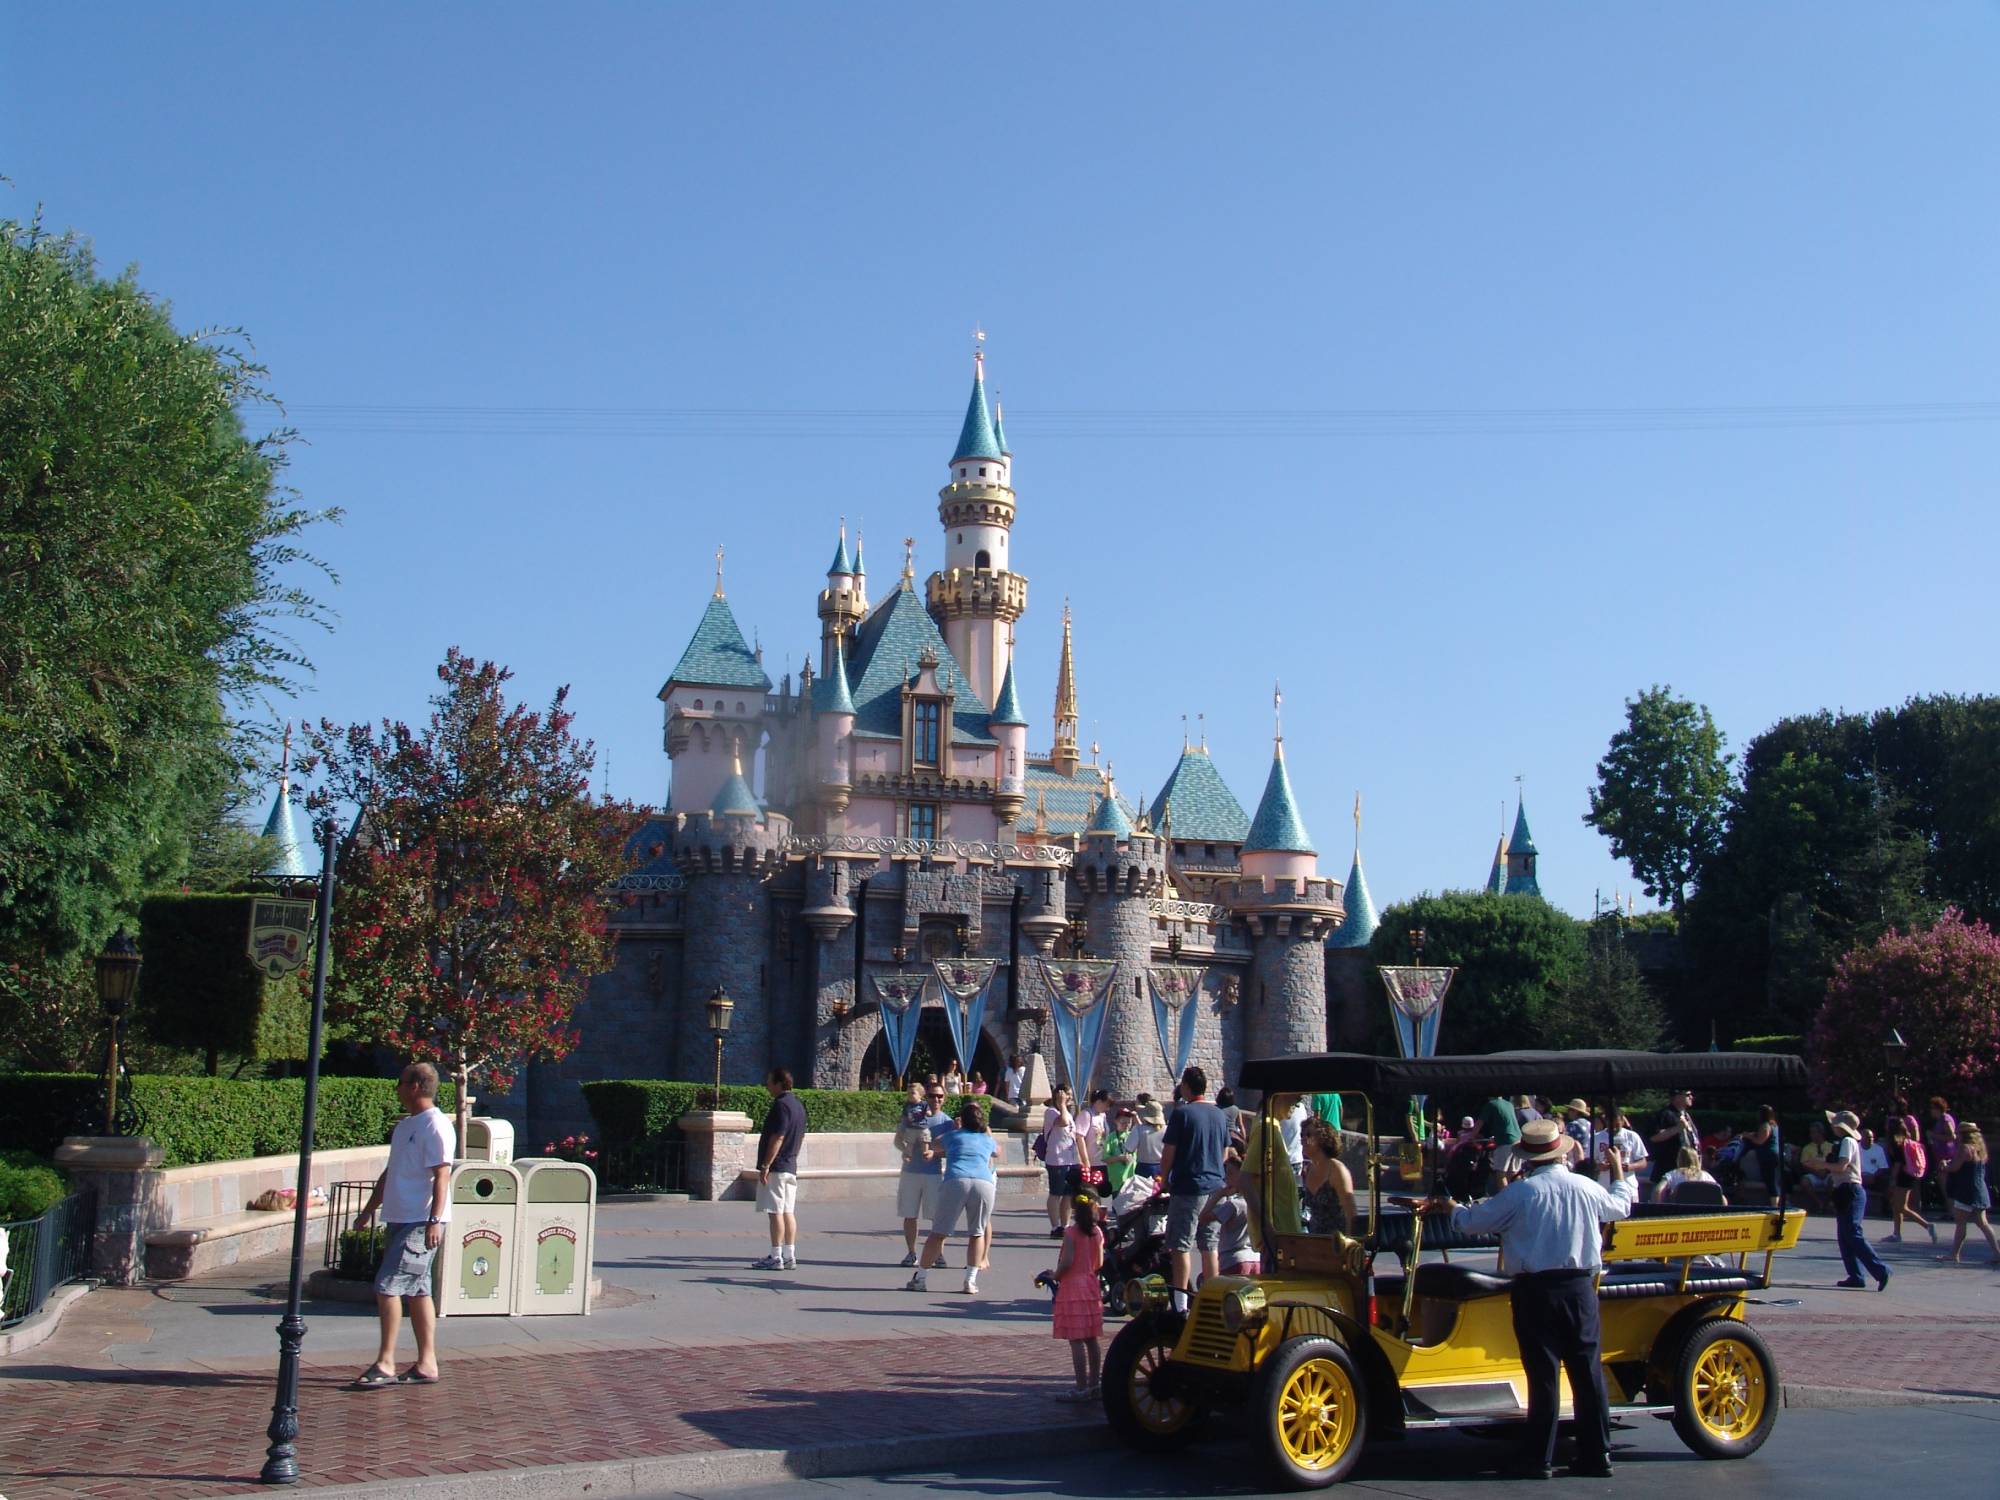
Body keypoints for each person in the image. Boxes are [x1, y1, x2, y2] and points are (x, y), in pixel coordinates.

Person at [1424, 1119, 1635, 1480]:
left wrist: (1451, 1208)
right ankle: (1597, 1452)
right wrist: (1618, 1171)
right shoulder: (1584, 1187)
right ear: (1560, 1153)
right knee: (1588, 1373)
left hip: (1536, 1290)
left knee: (1543, 1376)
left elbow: (1474, 1222)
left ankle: (1539, 1457)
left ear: (1528, 1159)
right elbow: (1621, 1205)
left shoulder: (1522, 1194)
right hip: (1579, 1288)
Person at [349, 1061, 455, 1388]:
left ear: (414, 1086)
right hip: (399, 1218)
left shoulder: (436, 1126)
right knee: (419, 1290)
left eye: (400, 1082)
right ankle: (427, 1364)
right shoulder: (406, 1126)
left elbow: (442, 1175)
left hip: (420, 1223)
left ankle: (385, 1362)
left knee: (387, 1285)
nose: (396, 1088)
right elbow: (390, 1173)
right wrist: (368, 1211)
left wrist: (434, 1221)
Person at [906, 1100, 1000, 1293]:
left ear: (961, 1120)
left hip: (957, 1180)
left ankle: (921, 1278)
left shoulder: (953, 1135)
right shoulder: (986, 1139)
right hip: (983, 1182)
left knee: (939, 1232)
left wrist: (939, 1148)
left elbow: (936, 1141)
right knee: (977, 1233)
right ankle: (970, 1281)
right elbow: (998, 1152)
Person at [1158, 1065, 1230, 1311]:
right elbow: (1225, 1151)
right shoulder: (1219, 1114)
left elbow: (1169, 1152)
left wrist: (1163, 1178)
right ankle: (1212, 1300)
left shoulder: (1183, 1114)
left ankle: (1180, 1302)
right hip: (1215, 1186)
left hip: (1189, 1186)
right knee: (1210, 1245)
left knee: (1180, 1245)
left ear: (1187, 1087)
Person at [1825, 1109, 1890, 1291]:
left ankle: (1881, 1270)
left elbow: (1842, 1165)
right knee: (1845, 1235)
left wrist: (1820, 1164)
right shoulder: (1846, 1141)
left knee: (1852, 1233)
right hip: (1845, 1189)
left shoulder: (1847, 1141)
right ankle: (1855, 1275)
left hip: (1850, 1189)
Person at [750, 1067, 807, 1271]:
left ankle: (776, 1256)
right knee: (788, 1211)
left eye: (769, 1081)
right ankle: (790, 1254)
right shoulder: (798, 1105)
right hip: (790, 1165)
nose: (767, 1085)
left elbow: (778, 1136)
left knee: (775, 1212)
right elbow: (799, 1136)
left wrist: (766, 1165)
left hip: (778, 1166)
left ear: (779, 1083)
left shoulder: (781, 1106)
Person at [1051, 1192, 1106, 1402]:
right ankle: (1095, 1384)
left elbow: (1066, 1262)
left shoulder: (1072, 1232)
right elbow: (1099, 1262)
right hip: (1091, 1285)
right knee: (1091, 1338)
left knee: (1076, 1340)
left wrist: (1054, 1275)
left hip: (1073, 1286)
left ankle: (1081, 1386)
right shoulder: (1097, 1232)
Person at [895, 1081, 951, 1267]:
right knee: (909, 1214)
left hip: (933, 1174)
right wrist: (904, 1150)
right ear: (926, 1098)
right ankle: (911, 1252)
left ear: (944, 1099)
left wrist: (935, 1153)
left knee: (936, 1216)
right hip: (910, 1172)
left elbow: (952, 1149)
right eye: (932, 1096)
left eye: (940, 1096)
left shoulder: (947, 1122)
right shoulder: (912, 1115)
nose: (936, 1099)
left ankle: (938, 1254)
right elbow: (898, 1139)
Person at [1936, 1122, 1998, 1264]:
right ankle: (1997, 1253)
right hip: (1979, 1189)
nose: (1956, 1136)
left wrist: (1945, 1165)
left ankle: (1954, 1254)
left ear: (1963, 1135)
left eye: (1958, 1133)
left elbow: (1954, 1168)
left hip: (1966, 1190)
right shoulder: (1980, 1149)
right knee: (1983, 1223)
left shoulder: (1964, 1148)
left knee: (1960, 1222)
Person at [1039, 1086, 1089, 1236]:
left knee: (1068, 1194)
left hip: (1071, 1160)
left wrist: (1081, 1160)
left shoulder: (1068, 1112)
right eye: (1067, 1095)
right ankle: (1055, 1227)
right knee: (1056, 1193)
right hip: (1057, 1160)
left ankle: (1065, 1225)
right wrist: (1061, 1105)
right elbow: (1064, 1122)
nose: (1070, 1098)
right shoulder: (1051, 1112)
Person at [1200, 1151, 1260, 1276]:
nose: (1227, 1178)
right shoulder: (1257, 1201)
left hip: (1233, 1260)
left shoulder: (1233, 1205)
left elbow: (1203, 1217)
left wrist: (1219, 1195)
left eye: (1231, 1174)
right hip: (1255, 1258)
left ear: (1243, 1175)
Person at [1297, 1119, 1357, 1235]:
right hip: (1315, 1240)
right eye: (1302, 1134)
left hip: (1337, 1241)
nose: (1303, 1139)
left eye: (1308, 1134)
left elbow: (1351, 1213)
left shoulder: (1337, 1170)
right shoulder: (1309, 1169)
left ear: (1323, 1138)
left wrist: (1349, 1244)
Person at [1883, 1116, 1934, 1244]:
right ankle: (1897, 1233)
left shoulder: (1896, 1142)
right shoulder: (1906, 1139)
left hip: (1903, 1175)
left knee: (1901, 1207)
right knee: (1896, 1205)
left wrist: (1892, 1180)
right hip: (1908, 1174)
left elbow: (1898, 1163)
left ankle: (1927, 1225)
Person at [1648, 1088, 1699, 1199]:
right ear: (1677, 1097)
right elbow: (1654, 1137)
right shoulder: (1665, 1114)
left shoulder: (1686, 1115)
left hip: (1688, 1171)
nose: (1691, 1097)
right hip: (1668, 1169)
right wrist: (1677, 1128)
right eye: (1688, 1094)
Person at [1737, 1105, 1782, 1206]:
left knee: (1770, 1181)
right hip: (1774, 1154)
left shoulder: (1765, 1125)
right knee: (1772, 1179)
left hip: (1767, 1155)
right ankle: (1775, 1203)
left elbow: (1760, 1141)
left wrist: (1748, 1136)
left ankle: (1774, 1205)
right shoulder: (1774, 1125)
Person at [1477, 1092, 1521, 1194]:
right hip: (1518, 1140)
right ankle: (1517, 1197)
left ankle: (1505, 1200)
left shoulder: (1491, 1104)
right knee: (1513, 1173)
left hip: (1506, 1141)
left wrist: (1470, 1137)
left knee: (1500, 1173)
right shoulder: (1509, 1104)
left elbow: (1479, 1123)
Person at [1591, 1112, 1646, 1191]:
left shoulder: (1632, 1136)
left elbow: (1643, 1162)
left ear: (1622, 1122)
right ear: (1606, 1122)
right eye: (1611, 1126)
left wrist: (1630, 1166)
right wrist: (1598, 1166)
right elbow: (1588, 1161)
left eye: (1617, 1125)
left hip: (1628, 1186)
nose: (1614, 1129)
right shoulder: (1596, 1138)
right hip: (1604, 1187)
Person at [1796, 1120, 1835, 1210]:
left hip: (1827, 1173)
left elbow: (1835, 1162)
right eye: (1811, 1133)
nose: (1811, 1135)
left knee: (1834, 1180)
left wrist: (1826, 1171)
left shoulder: (1831, 1147)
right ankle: (1819, 1202)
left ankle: (1828, 1202)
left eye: (1814, 1132)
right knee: (1804, 1181)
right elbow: (1804, 1164)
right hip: (1814, 1175)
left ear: (1821, 1133)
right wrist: (1816, 1172)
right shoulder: (1807, 1148)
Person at [1101, 1104, 1138, 1194]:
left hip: (1131, 1180)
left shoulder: (1133, 1135)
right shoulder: (1111, 1138)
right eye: (1123, 1122)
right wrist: (1120, 1158)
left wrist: (1136, 1117)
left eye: (1129, 1122)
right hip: (1116, 1181)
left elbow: (1143, 1132)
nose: (1126, 1125)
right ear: (1116, 1121)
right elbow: (1106, 1159)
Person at [1129, 1098, 1167, 1181]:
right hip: (1163, 1168)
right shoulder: (1167, 1130)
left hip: (1143, 1169)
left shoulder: (1138, 1129)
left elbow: (1129, 1148)